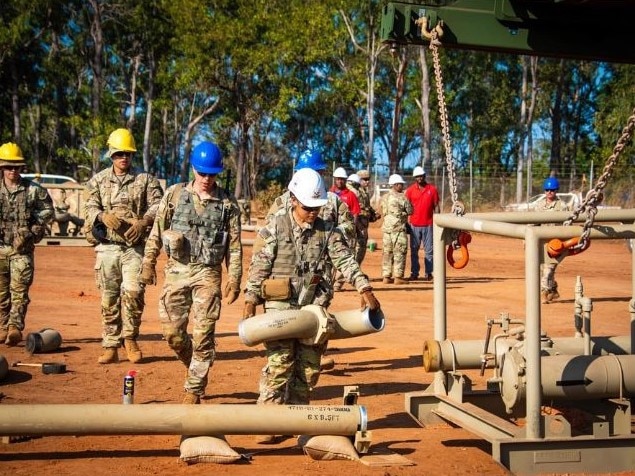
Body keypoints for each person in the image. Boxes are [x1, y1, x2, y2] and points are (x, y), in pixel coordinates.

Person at [243, 168, 379, 442]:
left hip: (313, 309)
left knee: (308, 369)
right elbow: (260, 265)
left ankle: (297, 419)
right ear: (292, 199)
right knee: (280, 364)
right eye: (307, 207)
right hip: (280, 307)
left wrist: (365, 288)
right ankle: (269, 421)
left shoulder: (328, 231)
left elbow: (344, 260)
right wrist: (251, 299)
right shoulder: (276, 226)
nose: (313, 213)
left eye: (317, 207)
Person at [140, 141, 242, 404]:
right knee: (173, 334)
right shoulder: (174, 195)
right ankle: (195, 363)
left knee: (204, 332)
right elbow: (156, 231)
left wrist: (235, 277)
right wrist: (148, 262)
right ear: (194, 170)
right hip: (177, 270)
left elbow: (234, 245)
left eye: (212, 174)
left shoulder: (228, 205)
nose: (207, 179)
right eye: (202, 173)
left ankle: (194, 388)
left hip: (208, 272)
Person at [84, 128, 163, 364]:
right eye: (119, 154)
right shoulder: (98, 180)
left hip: (134, 248)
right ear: (111, 154)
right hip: (108, 247)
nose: (123, 158)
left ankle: (130, 339)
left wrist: (144, 222)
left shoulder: (145, 180)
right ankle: (110, 344)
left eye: (127, 154)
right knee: (108, 297)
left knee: (134, 293)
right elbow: (87, 207)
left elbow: (159, 205)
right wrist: (100, 215)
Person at [0, 142, 54, 346]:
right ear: (2, 167)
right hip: (0, 248)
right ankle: (3, 326)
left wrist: (31, 229)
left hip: (22, 250)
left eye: (17, 166)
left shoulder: (33, 190)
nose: (13, 171)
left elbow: (48, 211)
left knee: (19, 291)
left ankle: (14, 327)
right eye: (8, 166)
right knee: (1, 293)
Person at [536, 176, 569, 304]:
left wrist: (566, 243)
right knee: (541, 269)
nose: (550, 192)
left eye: (552, 190)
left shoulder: (563, 206)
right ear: (544, 191)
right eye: (547, 190)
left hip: (556, 244)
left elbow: (568, 224)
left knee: (548, 270)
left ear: (556, 191)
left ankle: (544, 294)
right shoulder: (539, 206)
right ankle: (553, 290)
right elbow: (533, 224)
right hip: (541, 242)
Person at [405, 166, 439, 281]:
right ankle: (414, 273)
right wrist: (406, 223)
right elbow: (406, 207)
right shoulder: (410, 191)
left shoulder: (432, 190)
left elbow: (436, 207)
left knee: (429, 250)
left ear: (424, 176)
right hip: (414, 225)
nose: (420, 178)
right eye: (417, 176)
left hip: (428, 224)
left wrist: (438, 222)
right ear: (415, 178)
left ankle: (429, 273)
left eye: (421, 176)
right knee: (414, 250)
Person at [330, 167, 361, 290]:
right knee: (331, 256)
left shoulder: (351, 195)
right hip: (332, 231)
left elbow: (355, 213)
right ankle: (329, 281)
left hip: (347, 231)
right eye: (338, 179)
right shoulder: (329, 194)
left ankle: (338, 283)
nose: (340, 182)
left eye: (342, 179)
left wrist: (353, 229)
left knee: (347, 255)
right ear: (334, 180)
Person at [381, 174, 413, 285]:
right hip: (398, 229)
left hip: (386, 229)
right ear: (395, 185)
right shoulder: (402, 197)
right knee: (400, 252)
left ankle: (386, 276)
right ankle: (398, 276)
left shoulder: (384, 197)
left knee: (387, 253)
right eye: (400, 184)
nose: (402, 186)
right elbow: (410, 210)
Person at [354, 169, 381, 265]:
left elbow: (367, 207)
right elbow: (358, 209)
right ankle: (351, 273)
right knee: (357, 248)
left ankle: (355, 270)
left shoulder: (365, 192)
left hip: (364, 225)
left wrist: (373, 214)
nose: (367, 181)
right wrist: (369, 214)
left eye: (368, 179)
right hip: (357, 224)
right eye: (364, 179)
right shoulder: (355, 192)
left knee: (362, 247)